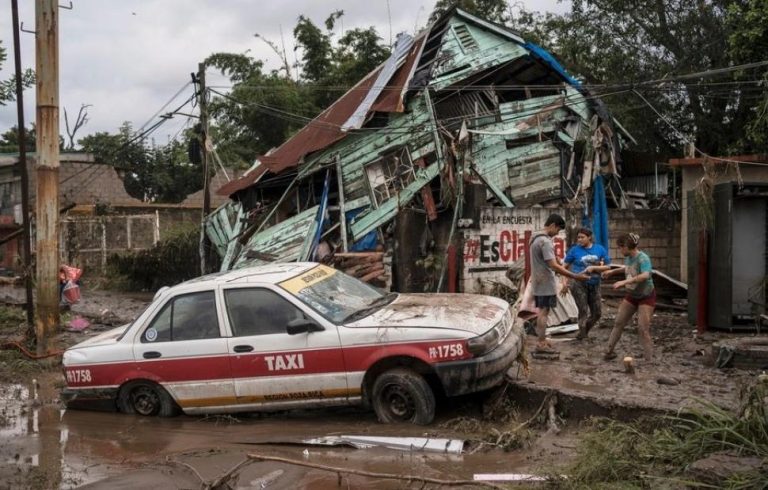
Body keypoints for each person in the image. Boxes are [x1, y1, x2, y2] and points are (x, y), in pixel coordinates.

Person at [586, 233, 655, 362]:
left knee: (642, 329)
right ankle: (609, 351)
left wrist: (624, 282)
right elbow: (627, 268)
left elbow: (646, 275)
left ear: (627, 247)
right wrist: (613, 271)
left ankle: (649, 359)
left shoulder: (643, 259)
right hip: (632, 295)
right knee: (618, 322)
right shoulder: (629, 257)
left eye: (620, 247)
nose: (619, 250)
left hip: (646, 296)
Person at [529, 213, 589, 353]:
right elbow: (553, 265)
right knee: (544, 312)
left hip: (538, 280)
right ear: (552, 225)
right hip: (545, 282)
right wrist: (575, 275)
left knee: (543, 311)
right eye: (557, 230)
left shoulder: (535, 238)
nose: (556, 234)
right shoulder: (545, 242)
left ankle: (542, 341)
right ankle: (541, 344)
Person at [563, 228, 611, 340]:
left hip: (595, 283)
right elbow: (563, 267)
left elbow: (608, 266)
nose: (579, 240)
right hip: (578, 284)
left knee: (597, 313)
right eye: (578, 237)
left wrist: (594, 267)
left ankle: (583, 332)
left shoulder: (599, 249)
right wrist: (564, 282)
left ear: (589, 237)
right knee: (583, 310)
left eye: (582, 237)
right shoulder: (574, 250)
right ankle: (583, 335)